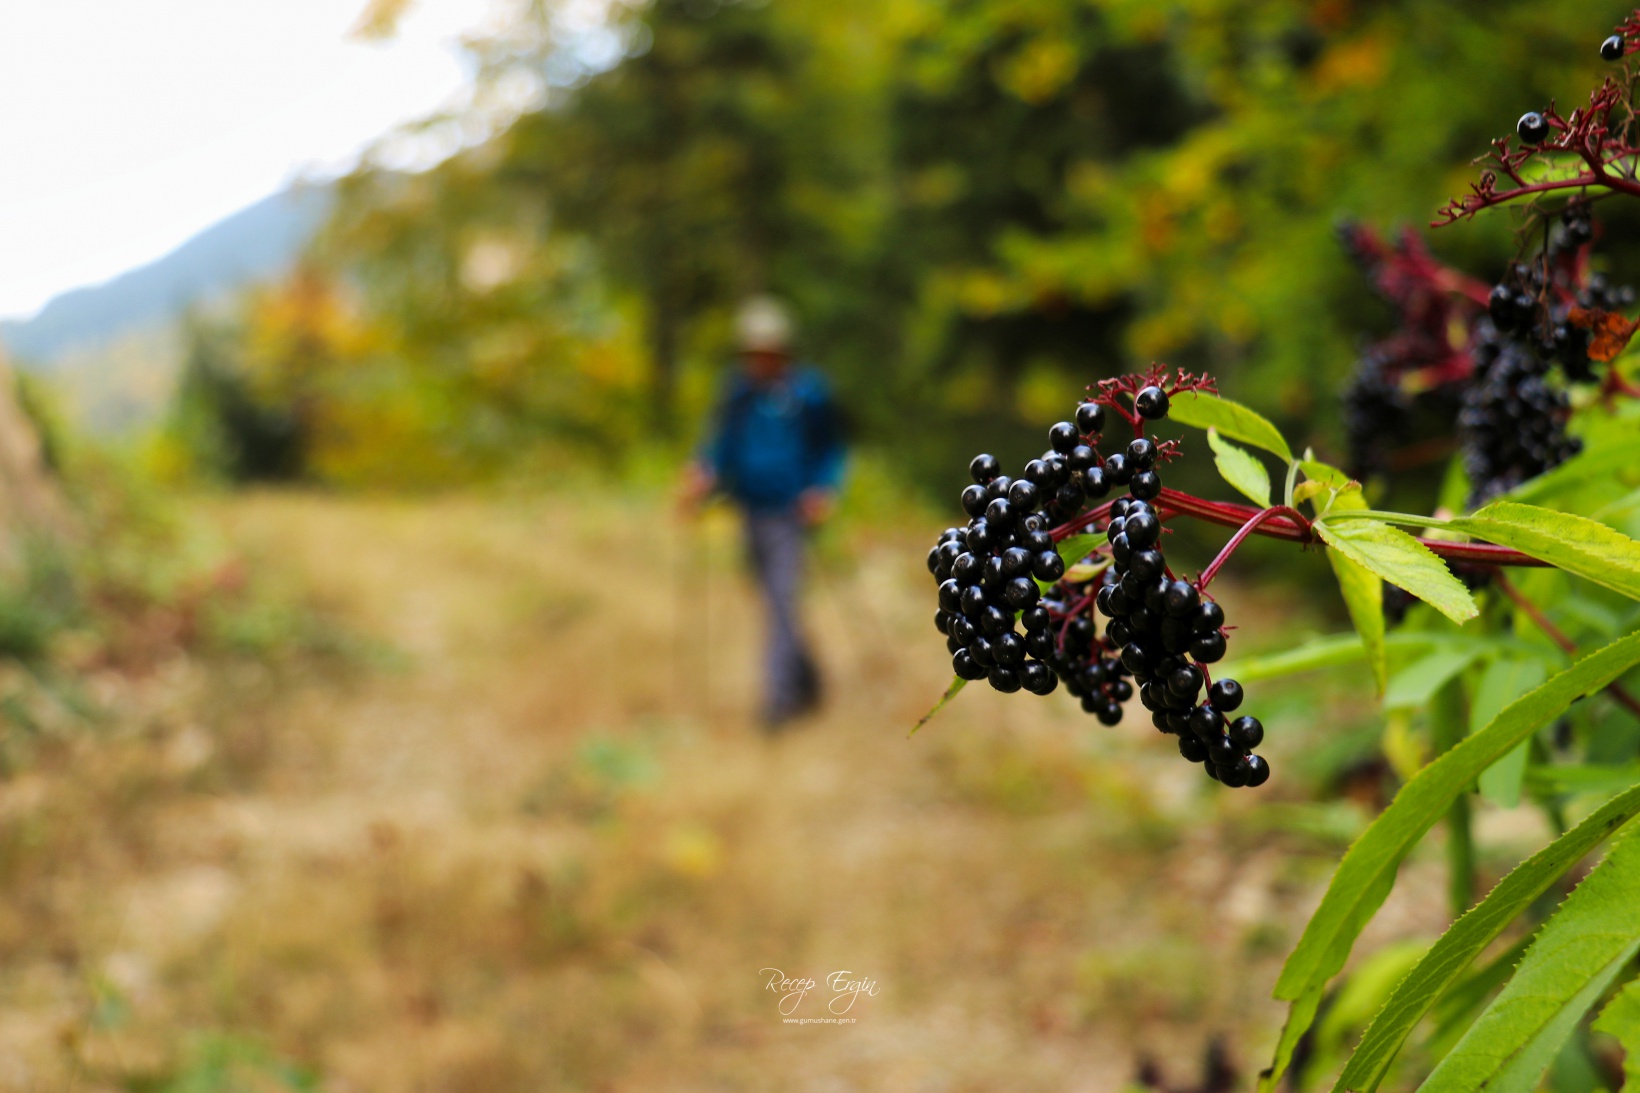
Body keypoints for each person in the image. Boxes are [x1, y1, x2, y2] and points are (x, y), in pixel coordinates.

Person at [682, 296, 847, 729]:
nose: (760, 359)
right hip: (749, 511)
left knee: (780, 604)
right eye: (753, 351)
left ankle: (778, 705)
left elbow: (830, 449)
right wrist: (705, 475)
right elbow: (720, 444)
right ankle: (809, 681)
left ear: (783, 350)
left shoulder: (808, 392)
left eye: (767, 351)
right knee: (775, 603)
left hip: (789, 516)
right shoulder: (737, 391)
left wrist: (823, 489)